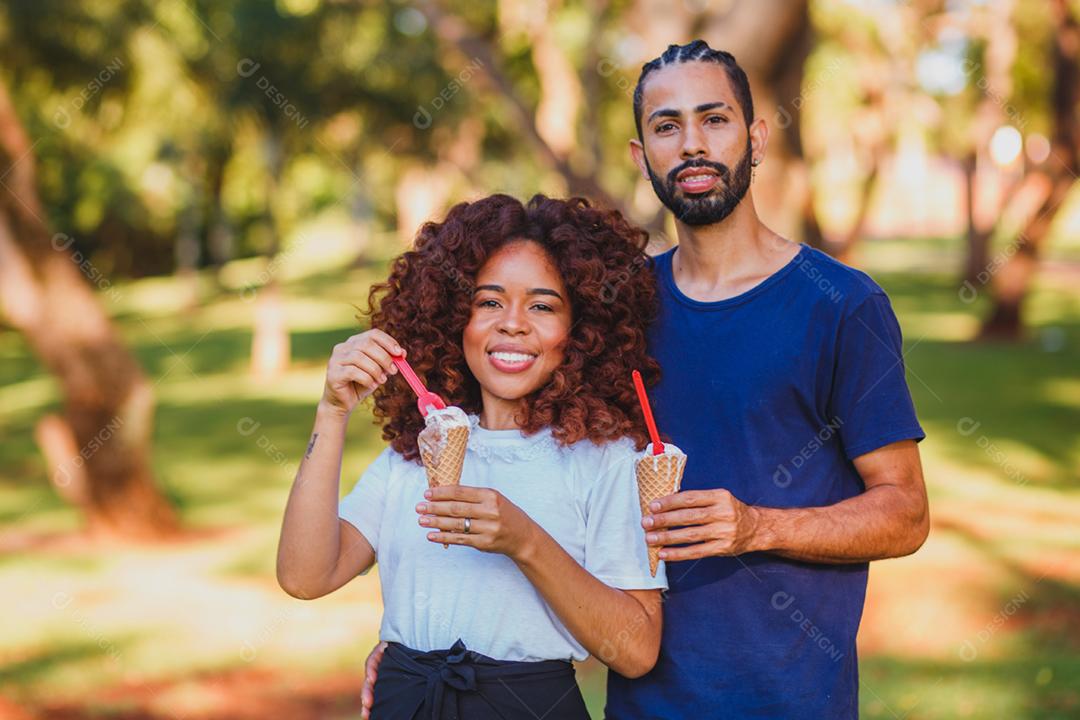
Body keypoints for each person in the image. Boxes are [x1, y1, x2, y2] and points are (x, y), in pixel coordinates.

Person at [355, 40, 930, 720]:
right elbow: (518, 454)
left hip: (790, 697)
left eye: (714, 119)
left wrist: (757, 527)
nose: (692, 143)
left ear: (757, 138)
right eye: (666, 126)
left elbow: (906, 513)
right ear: (642, 156)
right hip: (640, 699)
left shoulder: (839, 305)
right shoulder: (613, 307)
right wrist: (428, 641)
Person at [276, 194, 668, 719]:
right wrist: (331, 411)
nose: (512, 323)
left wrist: (523, 541)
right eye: (489, 301)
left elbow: (637, 650)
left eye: (543, 305)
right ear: (453, 317)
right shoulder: (415, 455)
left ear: (580, 331)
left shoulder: (604, 459)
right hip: (408, 701)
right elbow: (305, 576)